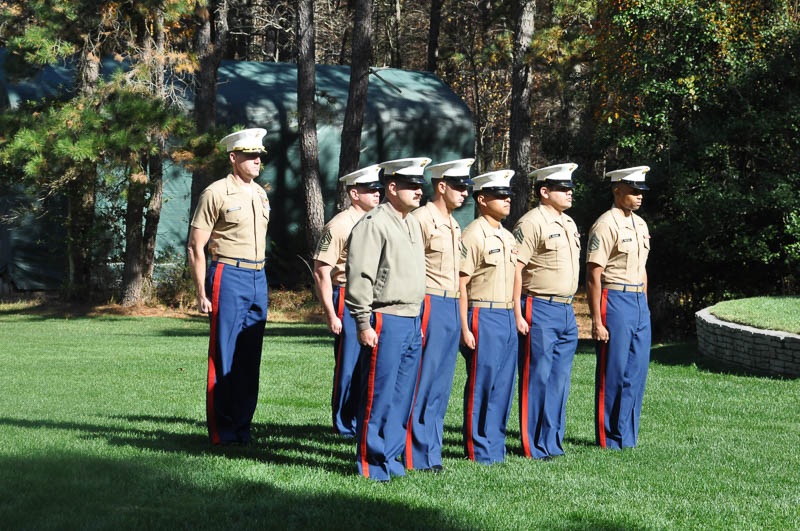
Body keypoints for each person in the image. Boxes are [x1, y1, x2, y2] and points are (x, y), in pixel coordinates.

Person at [345, 157, 430, 481]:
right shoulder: (374, 223)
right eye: (411, 185)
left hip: (411, 318)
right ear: (392, 187)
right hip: (386, 318)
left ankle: (391, 459)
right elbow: (361, 276)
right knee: (378, 396)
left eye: (420, 185)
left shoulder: (411, 223)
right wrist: (363, 323)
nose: (418, 191)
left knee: (402, 396)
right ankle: (372, 463)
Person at [187, 128, 270, 446]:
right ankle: (222, 431)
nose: (256, 160)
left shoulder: (260, 193)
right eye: (250, 155)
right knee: (225, 353)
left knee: (250, 356)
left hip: (258, 276)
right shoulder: (216, 193)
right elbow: (195, 246)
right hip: (228, 274)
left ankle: (243, 427)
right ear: (233, 157)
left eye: (259, 155)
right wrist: (201, 292)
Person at [404, 157, 474, 473]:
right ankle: (414, 453)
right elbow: (409, 267)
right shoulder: (421, 219)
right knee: (424, 380)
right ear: (441, 186)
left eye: (466, 187)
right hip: (429, 302)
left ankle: (432, 451)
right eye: (459, 186)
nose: (464, 193)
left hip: (450, 304)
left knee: (442, 385)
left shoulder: (454, 224)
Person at [512, 163, 581, 460]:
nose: (569, 193)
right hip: (539, 306)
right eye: (562, 188)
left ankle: (552, 441)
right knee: (537, 377)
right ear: (544, 191)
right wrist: (517, 312)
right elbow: (516, 269)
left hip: (565, 309)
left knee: (559, 381)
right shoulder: (531, 222)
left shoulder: (569, 223)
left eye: (570, 188)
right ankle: (533, 444)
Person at [312, 164, 383, 438]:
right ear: (354, 193)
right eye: (370, 190)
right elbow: (321, 271)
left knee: (370, 364)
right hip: (348, 296)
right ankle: (343, 424)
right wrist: (331, 314)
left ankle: (361, 418)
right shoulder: (340, 225)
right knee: (349, 365)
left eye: (378, 189)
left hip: (374, 299)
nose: (377, 194)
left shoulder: (378, 221)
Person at [586, 165, 652, 449]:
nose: (639, 196)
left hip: (638, 301)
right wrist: (597, 321)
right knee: (613, 371)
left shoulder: (641, 224)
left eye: (641, 191)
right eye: (633, 191)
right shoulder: (606, 224)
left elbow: (642, 268)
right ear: (617, 190)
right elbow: (593, 274)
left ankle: (628, 437)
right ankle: (609, 438)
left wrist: (644, 305)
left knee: (636, 372)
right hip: (615, 298)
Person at [459, 169, 518, 465]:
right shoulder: (473, 235)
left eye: (508, 195)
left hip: (506, 315)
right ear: (482, 199)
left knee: (504, 386)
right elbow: (461, 284)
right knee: (483, 384)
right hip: (483, 313)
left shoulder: (507, 236)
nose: (507, 200)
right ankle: (477, 447)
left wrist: (517, 315)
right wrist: (464, 327)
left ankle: (495, 445)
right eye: (499, 195)